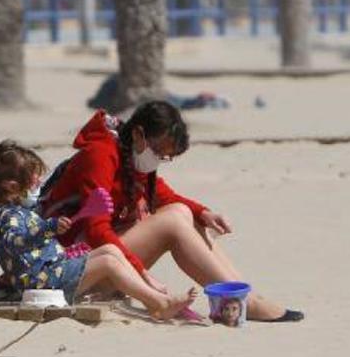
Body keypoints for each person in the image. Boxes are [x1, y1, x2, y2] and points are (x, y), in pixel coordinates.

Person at [39, 101, 304, 323]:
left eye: (166, 157)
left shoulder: (130, 154)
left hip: (97, 253)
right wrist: (141, 274)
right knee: (172, 223)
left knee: (181, 212)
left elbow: (163, 196)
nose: (160, 161)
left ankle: (243, 295)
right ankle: (237, 300)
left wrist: (203, 213)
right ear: (138, 135)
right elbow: (96, 228)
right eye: (159, 153)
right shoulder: (100, 154)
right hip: (73, 266)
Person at [0, 140, 198, 321]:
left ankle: (154, 297)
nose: (38, 183)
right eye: (32, 181)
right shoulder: (5, 216)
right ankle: (159, 304)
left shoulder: (19, 209)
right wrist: (47, 228)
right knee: (108, 263)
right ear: (11, 187)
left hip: (50, 270)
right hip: (41, 282)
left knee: (109, 250)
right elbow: (15, 242)